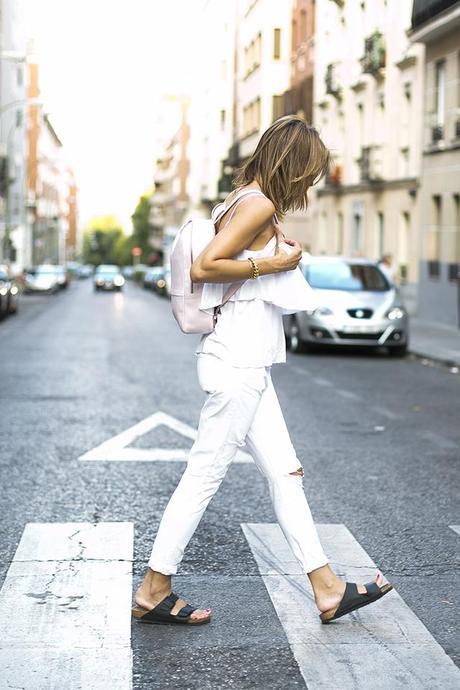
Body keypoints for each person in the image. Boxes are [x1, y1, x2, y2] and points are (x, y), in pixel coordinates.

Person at [131, 115, 392, 626]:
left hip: (247, 363)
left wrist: (273, 259)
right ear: (293, 166)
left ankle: (327, 588)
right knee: (204, 475)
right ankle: (154, 586)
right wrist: (271, 265)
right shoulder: (258, 204)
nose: (312, 182)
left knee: (286, 475)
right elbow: (205, 266)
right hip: (236, 363)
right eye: (310, 171)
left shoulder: (243, 200)